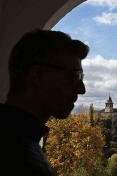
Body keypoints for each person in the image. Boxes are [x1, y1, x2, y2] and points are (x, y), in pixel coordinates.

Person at [0, 29, 89, 175]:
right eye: (74, 76)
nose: (81, 89)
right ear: (37, 76)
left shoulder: (18, 142)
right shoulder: (20, 160)